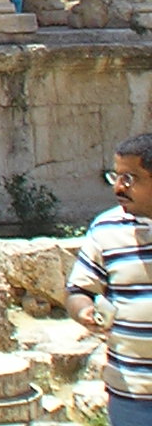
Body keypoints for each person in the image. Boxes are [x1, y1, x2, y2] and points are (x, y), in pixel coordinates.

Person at [69, 130, 152, 424]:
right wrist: (84, 312)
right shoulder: (105, 229)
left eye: (130, 178)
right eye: (115, 176)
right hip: (130, 396)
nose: (118, 187)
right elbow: (79, 289)